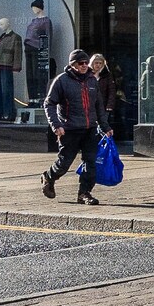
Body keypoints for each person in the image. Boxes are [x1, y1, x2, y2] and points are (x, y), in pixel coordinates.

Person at [40, 49, 105, 206]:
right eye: (80, 63)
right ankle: (49, 176)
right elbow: (49, 104)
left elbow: (99, 106)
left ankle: (84, 193)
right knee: (65, 163)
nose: (84, 66)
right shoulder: (62, 81)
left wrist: (105, 126)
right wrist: (56, 125)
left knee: (91, 163)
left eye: (85, 63)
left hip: (90, 129)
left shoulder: (92, 81)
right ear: (72, 65)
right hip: (69, 129)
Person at [0, 18, 24, 122]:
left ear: (8, 24)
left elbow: (18, 53)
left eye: (2, 24)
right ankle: (0, 113)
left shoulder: (15, 37)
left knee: (7, 91)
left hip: (6, 65)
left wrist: (16, 67)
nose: (1, 26)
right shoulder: (1, 37)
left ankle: (9, 113)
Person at [22, 0, 54, 106]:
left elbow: (48, 36)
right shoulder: (33, 21)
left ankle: (40, 97)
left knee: (38, 74)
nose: (33, 10)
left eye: (34, 7)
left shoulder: (46, 21)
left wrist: (45, 51)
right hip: (29, 48)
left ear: (39, 8)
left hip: (38, 49)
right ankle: (32, 98)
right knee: (30, 74)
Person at [88, 53, 121, 139]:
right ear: (92, 63)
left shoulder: (107, 75)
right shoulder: (88, 75)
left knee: (103, 124)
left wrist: (110, 105)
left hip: (103, 104)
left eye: (100, 63)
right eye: (96, 63)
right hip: (89, 105)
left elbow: (112, 91)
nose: (98, 65)